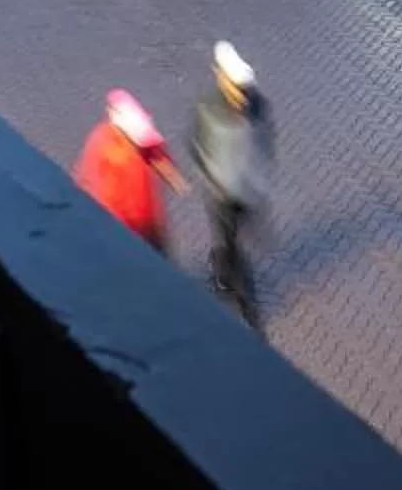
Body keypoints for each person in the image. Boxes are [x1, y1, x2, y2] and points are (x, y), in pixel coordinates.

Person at [191, 41, 273, 322]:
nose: (241, 96)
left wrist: (258, 184)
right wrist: (212, 177)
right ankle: (246, 304)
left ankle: (222, 273)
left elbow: (264, 144)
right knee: (232, 244)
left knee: (231, 240)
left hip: (246, 192)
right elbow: (197, 144)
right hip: (220, 195)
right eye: (236, 89)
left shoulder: (259, 107)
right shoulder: (208, 108)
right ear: (222, 79)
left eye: (244, 90)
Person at [72, 89, 183, 249]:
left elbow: (154, 151)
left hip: (144, 223)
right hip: (128, 228)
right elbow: (104, 194)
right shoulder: (114, 154)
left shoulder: (117, 139)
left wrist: (170, 173)